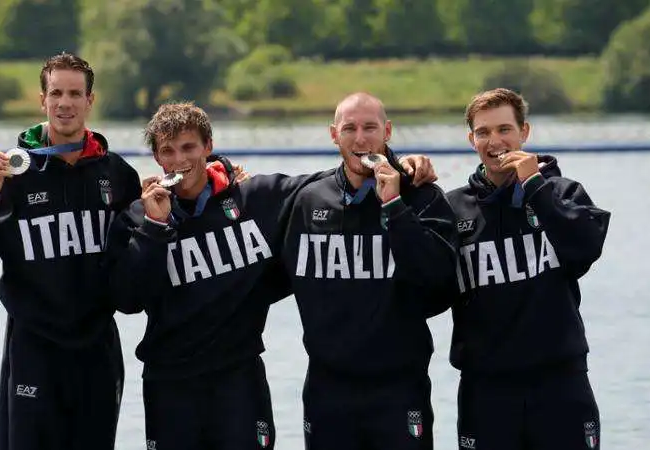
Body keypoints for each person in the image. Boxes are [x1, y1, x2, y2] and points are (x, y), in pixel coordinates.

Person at [104, 101, 436, 450]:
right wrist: (155, 228)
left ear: (208, 146)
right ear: (157, 158)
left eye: (189, 147)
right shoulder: (139, 215)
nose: (179, 160)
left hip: (240, 378)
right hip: (169, 382)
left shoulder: (256, 198)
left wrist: (403, 164)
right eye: (167, 151)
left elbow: (338, 178)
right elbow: (127, 299)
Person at [0, 52, 141, 450]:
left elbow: (150, 251)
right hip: (34, 347)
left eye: (74, 93)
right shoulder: (11, 176)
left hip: (97, 348)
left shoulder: (117, 175)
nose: (64, 103)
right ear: (42, 101)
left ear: (90, 101)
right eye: (56, 93)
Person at [279, 92, 460, 450]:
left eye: (370, 127)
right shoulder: (309, 199)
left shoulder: (422, 197)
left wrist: (394, 205)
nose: (360, 138)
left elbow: (439, 281)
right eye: (349, 128)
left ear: (387, 131)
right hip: (327, 389)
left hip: (399, 388)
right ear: (334, 135)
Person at [446, 88, 611, 450]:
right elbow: (424, 285)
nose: (495, 141)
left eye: (505, 129)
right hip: (485, 391)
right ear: (471, 139)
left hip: (560, 385)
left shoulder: (563, 194)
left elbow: (586, 247)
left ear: (525, 132)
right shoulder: (453, 209)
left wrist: (534, 185)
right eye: (483, 132)